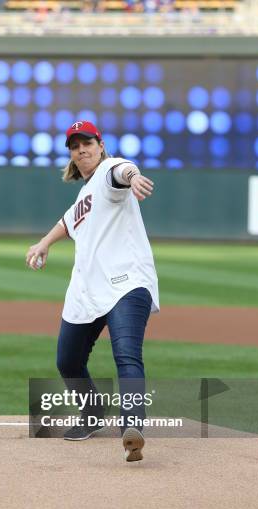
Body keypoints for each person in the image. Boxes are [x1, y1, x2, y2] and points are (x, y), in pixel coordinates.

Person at [26, 120, 159, 462]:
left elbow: (124, 170)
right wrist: (44, 243)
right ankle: (94, 411)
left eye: (87, 142)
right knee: (67, 361)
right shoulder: (85, 193)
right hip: (87, 290)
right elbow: (69, 220)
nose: (81, 149)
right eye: (75, 145)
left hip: (127, 284)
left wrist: (134, 177)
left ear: (101, 145)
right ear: (71, 154)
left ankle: (133, 428)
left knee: (127, 354)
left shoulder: (110, 172)